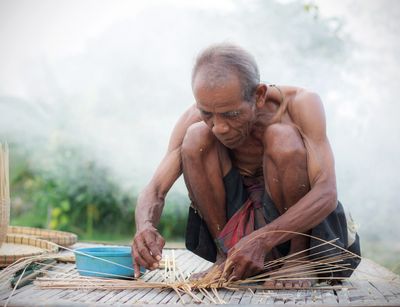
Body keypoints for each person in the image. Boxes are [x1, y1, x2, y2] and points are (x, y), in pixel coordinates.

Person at [132, 43, 360, 288]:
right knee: (196, 136)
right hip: (238, 240)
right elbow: (155, 189)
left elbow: (326, 192)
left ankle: (297, 259)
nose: (219, 127)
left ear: (259, 95)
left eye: (231, 115)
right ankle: (225, 256)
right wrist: (145, 227)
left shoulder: (301, 105)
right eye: (208, 113)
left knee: (282, 138)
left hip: (297, 233)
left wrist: (262, 240)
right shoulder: (196, 118)